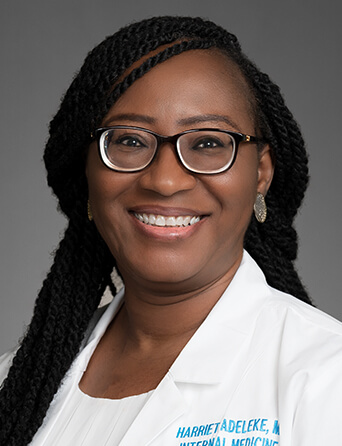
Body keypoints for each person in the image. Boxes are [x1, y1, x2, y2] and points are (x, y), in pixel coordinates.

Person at [1, 15, 341, 446]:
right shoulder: (15, 386)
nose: (165, 181)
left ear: (261, 173)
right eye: (129, 140)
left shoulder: (328, 378)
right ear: (86, 171)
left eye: (207, 143)